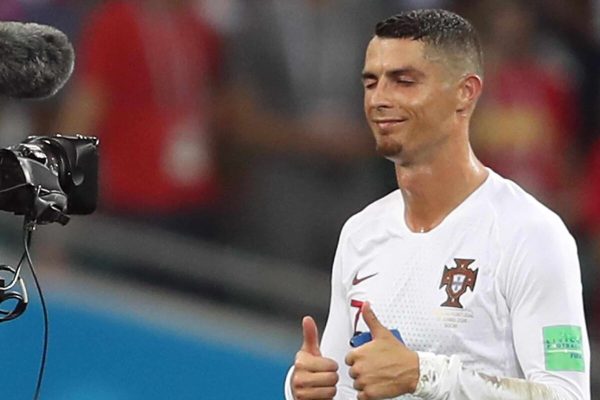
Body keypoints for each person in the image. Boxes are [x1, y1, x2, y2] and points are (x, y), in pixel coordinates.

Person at [284, 9, 590, 400]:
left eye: (404, 81)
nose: (379, 99)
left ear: (466, 93)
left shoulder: (531, 234)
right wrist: (306, 388)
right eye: (371, 83)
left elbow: (567, 395)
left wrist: (425, 375)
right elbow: (345, 384)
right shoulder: (361, 233)